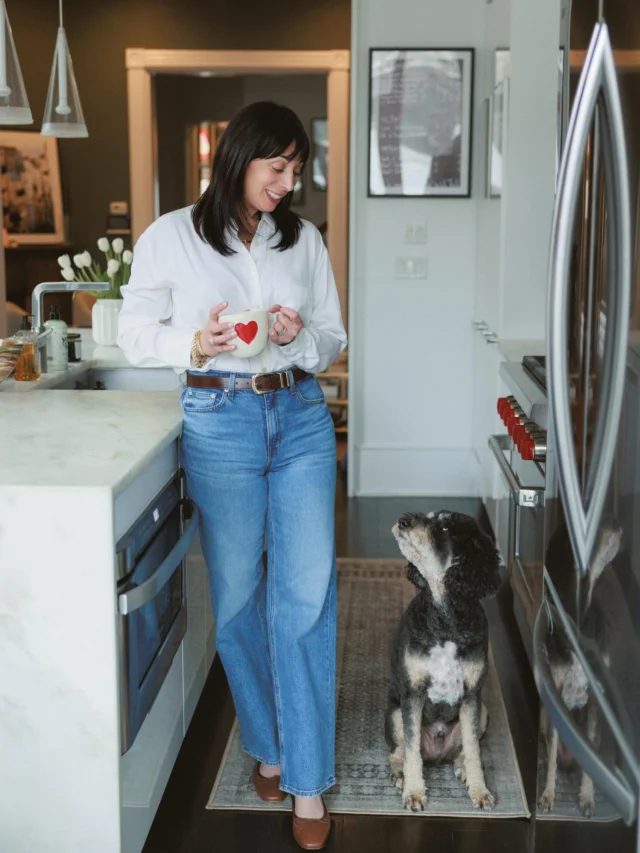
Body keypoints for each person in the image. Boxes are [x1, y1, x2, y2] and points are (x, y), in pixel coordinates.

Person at [117, 101, 347, 851]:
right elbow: (130, 331)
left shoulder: (302, 239)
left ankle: (307, 779)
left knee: (305, 595)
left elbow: (333, 337)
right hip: (218, 422)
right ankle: (268, 743)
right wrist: (197, 341)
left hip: (301, 417)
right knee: (240, 597)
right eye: (276, 167)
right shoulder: (170, 237)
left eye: (295, 169)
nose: (288, 182)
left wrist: (299, 337)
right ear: (239, 158)